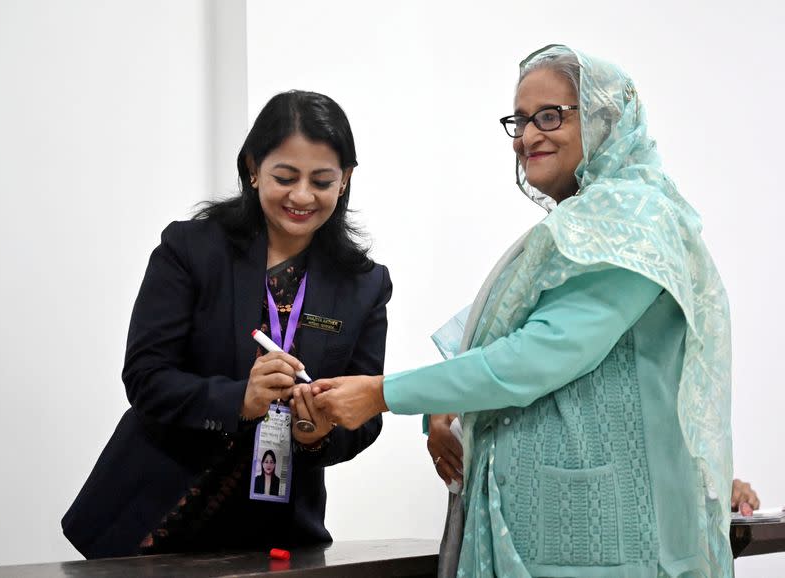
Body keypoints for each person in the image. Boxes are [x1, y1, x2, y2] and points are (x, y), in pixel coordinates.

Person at [313, 45, 733, 577]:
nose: (527, 136)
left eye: (551, 115)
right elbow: (488, 330)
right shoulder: (584, 226)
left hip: (601, 538)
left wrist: (381, 394)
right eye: (521, 119)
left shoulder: (633, 220)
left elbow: (537, 354)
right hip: (556, 534)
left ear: (606, 118)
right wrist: (436, 409)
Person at [62, 90, 392, 558]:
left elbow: (365, 414)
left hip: (275, 534)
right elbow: (146, 377)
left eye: (321, 180)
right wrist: (239, 398)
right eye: (285, 176)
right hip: (152, 518)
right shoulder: (191, 250)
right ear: (253, 168)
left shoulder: (364, 285)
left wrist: (317, 434)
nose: (302, 196)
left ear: (345, 182)